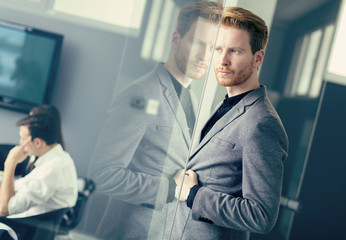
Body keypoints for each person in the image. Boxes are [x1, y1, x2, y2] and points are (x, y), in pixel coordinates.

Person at [87, 2, 222, 239]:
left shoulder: (194, 100)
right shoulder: (142, 93)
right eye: (198, 42)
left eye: (213, 47)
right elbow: (102, 175)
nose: (204, 56)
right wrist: (170, 188)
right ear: (176, 39)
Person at [172, 6, 289, 240]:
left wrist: (193, 194)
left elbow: (261, 215)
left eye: (234, 51)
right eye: (218, 49)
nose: (223, 60)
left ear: (258, 58)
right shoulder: (227, 104)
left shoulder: (262, 123)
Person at [0, 113, 77, 218]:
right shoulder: (58, 158)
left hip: (20, 227)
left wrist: (10, 163)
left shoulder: (51, 170)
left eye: (22, 138)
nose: (20, 143)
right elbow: (21, 185)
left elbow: (4, 209)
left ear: (37, 142)